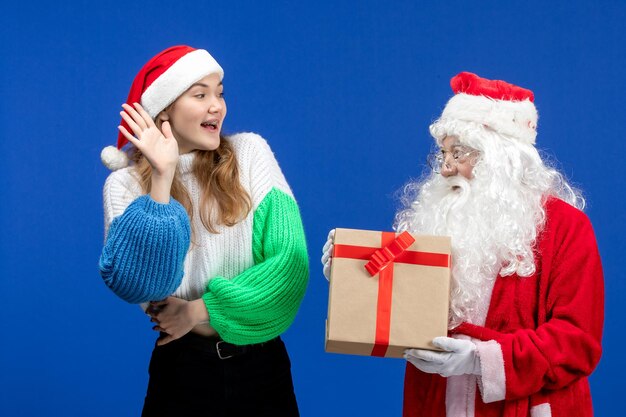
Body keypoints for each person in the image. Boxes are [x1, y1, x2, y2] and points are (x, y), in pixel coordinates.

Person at [321, 72, 604, 416]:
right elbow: (398, 310)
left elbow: (576, 342)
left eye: (459, 152)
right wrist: (352, 275)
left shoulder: (566, 227)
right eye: (442, 153)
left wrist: (480, 360)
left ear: (502, 157)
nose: (445, 168)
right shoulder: (435, 221)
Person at [99, 45, 309, 417]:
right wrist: (162, 181)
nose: (218, 106)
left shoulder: (251, 156)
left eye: (220, 92)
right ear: (164, 109)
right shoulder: (125, 187)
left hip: (263, 368)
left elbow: (289, 268)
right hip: (181, 372)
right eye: (200, 94)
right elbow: (139, 285)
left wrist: (199, 310)